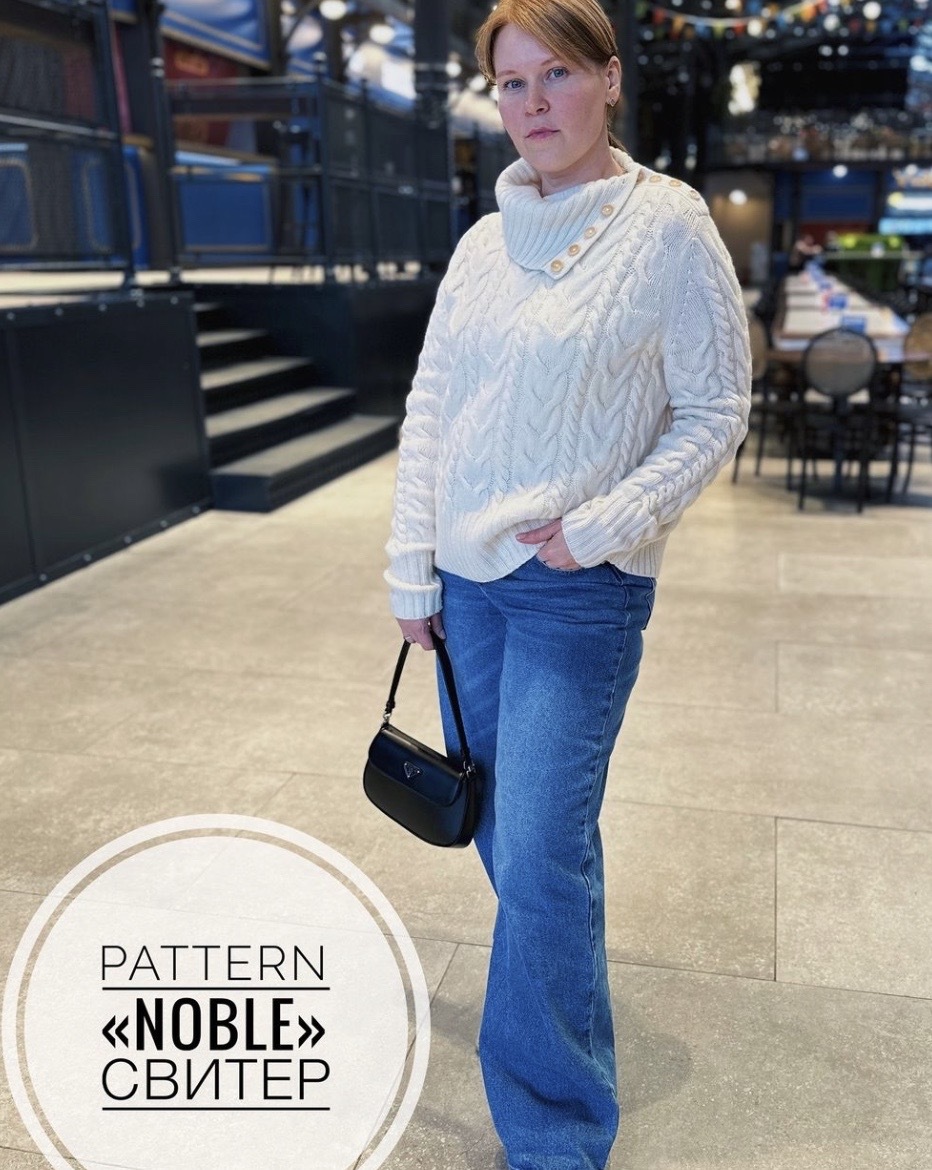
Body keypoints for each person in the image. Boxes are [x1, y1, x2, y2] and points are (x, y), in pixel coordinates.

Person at [384, 1, 751, 1166]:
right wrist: (409, 563)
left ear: (608, 79)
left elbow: (714, 408)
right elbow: (431, 410)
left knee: (541, 850)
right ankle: (558, 1036)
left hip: (573, 589)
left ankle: (552, 1131)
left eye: (555, 74)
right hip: (464, 583)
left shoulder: (667, 225)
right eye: (510, 82)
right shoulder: (480, 245)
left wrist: (602, 524)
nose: (532, 102)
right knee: (512, 840)